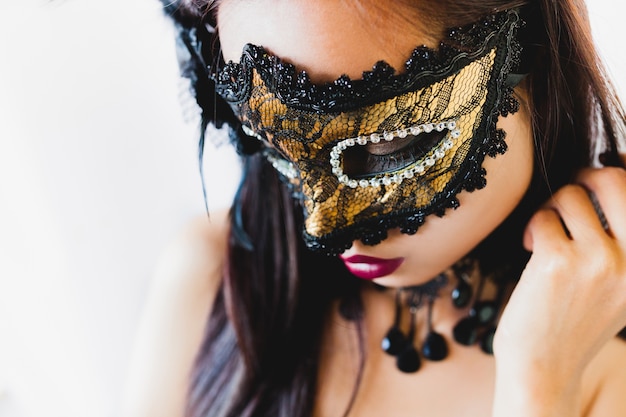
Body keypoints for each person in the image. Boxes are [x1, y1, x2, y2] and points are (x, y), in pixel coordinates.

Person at [122, 0, 626, 416]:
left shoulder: (606, 368)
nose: (324, 230)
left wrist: (538, 383)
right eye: (276, 145)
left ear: (534, 57)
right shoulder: (211, 276)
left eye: (389, 149)